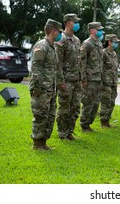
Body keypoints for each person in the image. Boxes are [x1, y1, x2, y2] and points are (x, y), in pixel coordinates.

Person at [29, 18, 63, 150]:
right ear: (53, 31)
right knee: (40, 115)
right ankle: (37, 143)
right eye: (58, 32)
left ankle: (43, 142)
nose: (60, 34)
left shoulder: (52, 47)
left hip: (50, 88)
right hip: (42, 89)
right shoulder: (41, 46)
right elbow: (36, 68)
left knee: (50, 116)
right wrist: (37, 88)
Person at [55, 13, 82, 141]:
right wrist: (60, 81)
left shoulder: (76, 40)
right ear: (67, 23)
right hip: (66, 81)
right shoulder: (61, 39)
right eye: (74, 22)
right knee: (64, 108)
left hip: (76, 80)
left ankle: (70, 131)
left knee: (75, 107)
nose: (77, 24)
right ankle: (62, 132)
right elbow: (58, 62)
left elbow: (79, 61)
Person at [80, 22, 104, 132]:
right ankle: (84, 125)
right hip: (89, 80)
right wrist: (83, 79)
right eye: (98, 29)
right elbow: (82, 63)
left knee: (96, 103)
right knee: (88, 103)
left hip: (98, 79)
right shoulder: (87, 44)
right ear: (92, 30)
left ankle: (89, 123)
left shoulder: (99, 43)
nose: (100, 31)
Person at [100, 34, 120, 128]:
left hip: (113, 81)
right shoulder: (103, 53)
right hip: (106, 82)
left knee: (112, 102)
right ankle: (103, 122)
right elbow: (101, 68)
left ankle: (107, 120)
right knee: (106, 102)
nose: (116, 44)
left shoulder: (114, 54)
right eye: (115, 42)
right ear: (109, 42)